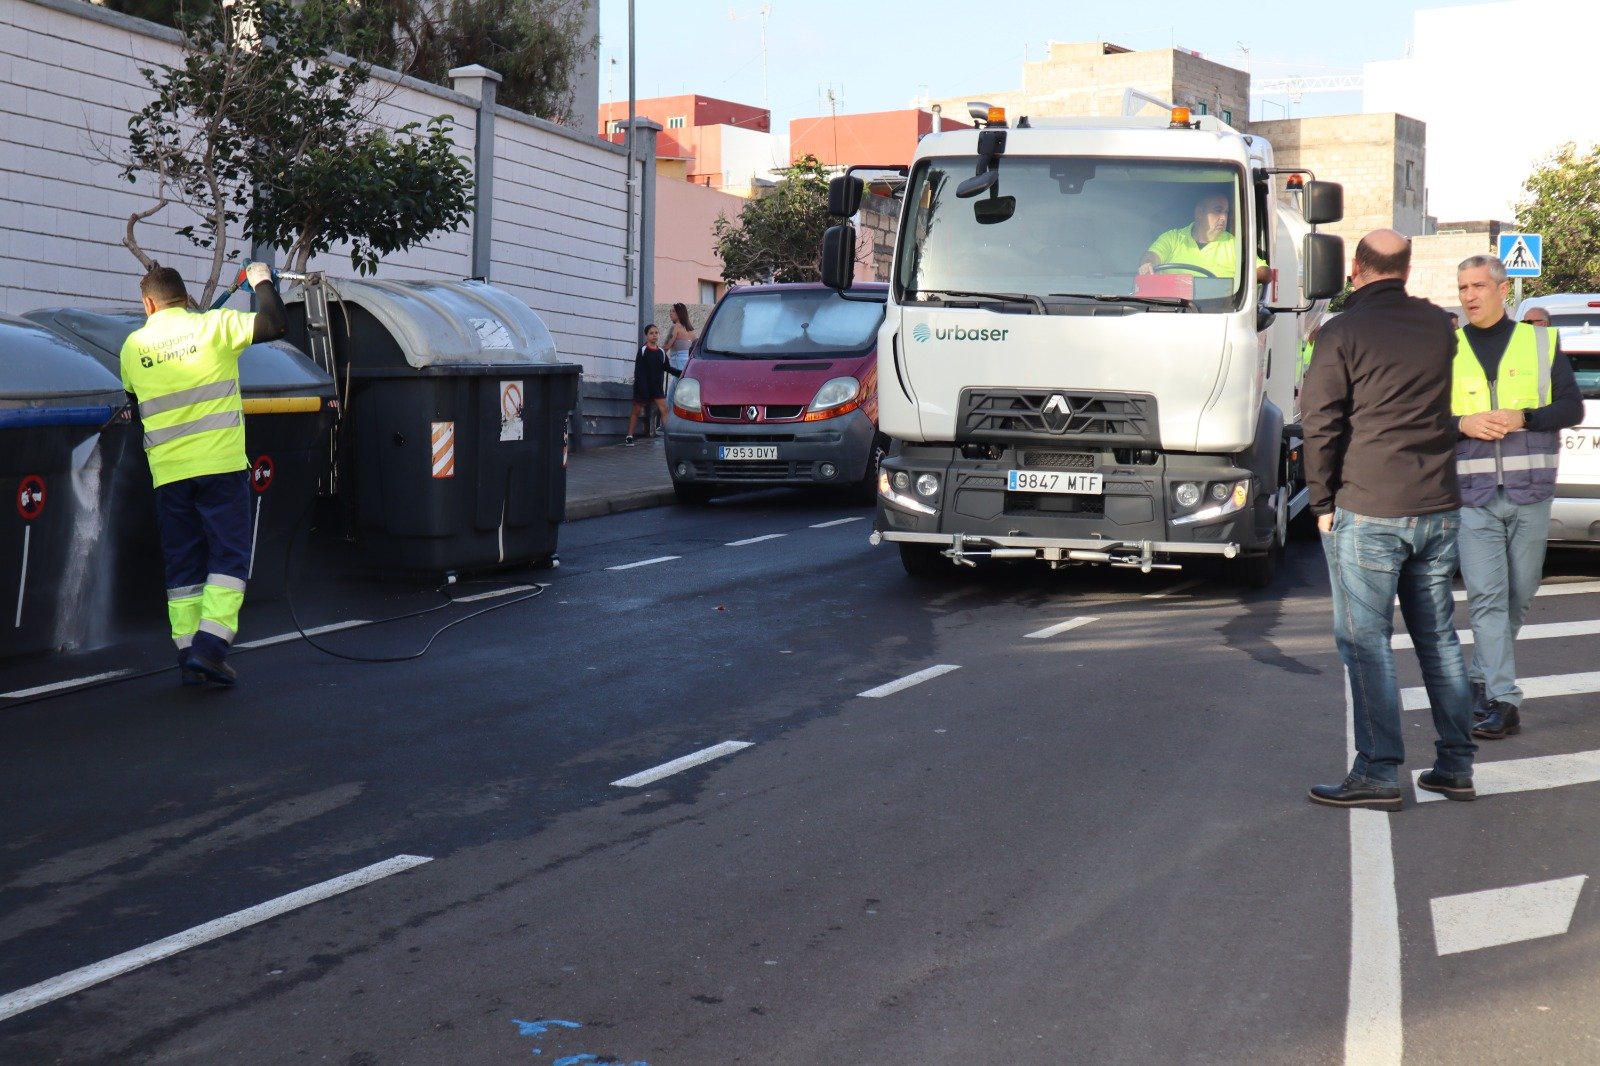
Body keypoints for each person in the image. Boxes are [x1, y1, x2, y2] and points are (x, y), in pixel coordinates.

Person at [1301, 229, 1478, 811]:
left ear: (1357, 268)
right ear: (1405, 269)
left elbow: (1320, 423)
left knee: (1366, 642)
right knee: (1438, 639)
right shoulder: (1438, 326)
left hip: (1370, 505)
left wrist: (1321, 503)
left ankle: (1378, 771)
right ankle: (1455, 765)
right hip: (1436, 506)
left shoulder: (1341, 331)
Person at [119, 262, 286, 687]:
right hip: (220, 466)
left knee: (183, 564)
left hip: (169, 474)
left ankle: (189, 651)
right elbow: (275, 323)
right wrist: (261, 280)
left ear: (148, 303)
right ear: (183, 297)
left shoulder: (132, 347)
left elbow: (136, 405)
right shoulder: (214, 327)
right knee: (229, 557)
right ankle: (210, 649)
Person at [1452, 256, 1583, 739]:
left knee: (1519, 596)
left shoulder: (1539, 340)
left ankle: (1479, 678)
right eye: (1463, 286)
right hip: (1473, 495)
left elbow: (1572, 407)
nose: (1469, 295)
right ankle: (1504, 700)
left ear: (1502, 290)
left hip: (1531, 492)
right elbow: (1423, 419)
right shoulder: (1447, 347)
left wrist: (1523, 417)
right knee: (1486, 596)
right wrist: (1461, 424)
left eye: (1479, 286)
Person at [1137, 189, 1271, 285]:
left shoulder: (1233, 244)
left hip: (1220, 313)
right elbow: (1152, 256)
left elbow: (1265, 272)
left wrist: (1245, 279)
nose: (1224, 218)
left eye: (1226, 212)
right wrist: (1148, 264)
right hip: (1171, 310)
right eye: (1218, 211)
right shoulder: (1173, 238)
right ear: (1199, 213)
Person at [626, 323, 669, 446]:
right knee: (637, 410)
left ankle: (668, 435)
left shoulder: (661, 352)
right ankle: (629, 436)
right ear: (646, 336)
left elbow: (668, 368)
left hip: (657, 387)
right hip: (643, 387)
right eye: (651, 333)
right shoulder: (643, 351)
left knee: (664, 409)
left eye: (656, 333)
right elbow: (638, 371)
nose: (654, 335)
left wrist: (682, 373)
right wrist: (642, 388)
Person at [665, 302, 697, 373]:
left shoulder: (675, 327)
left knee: (678, 382)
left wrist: (657, 355)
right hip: (689, 362)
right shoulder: (690, 330)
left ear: (680, 313)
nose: (670, 313)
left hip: (678, 361)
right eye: (670, 311)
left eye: (673, 311)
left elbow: (667, 346)